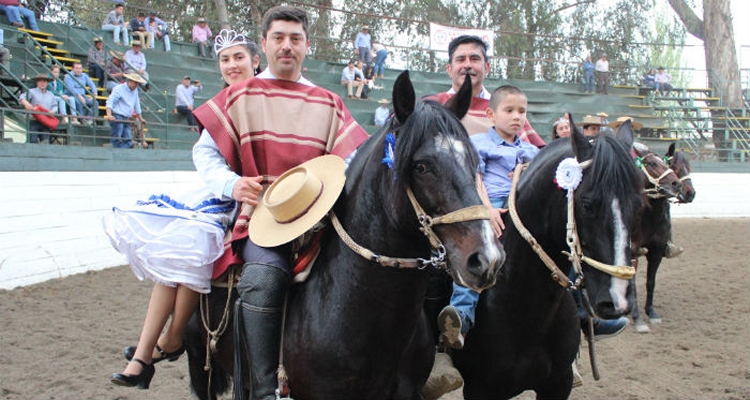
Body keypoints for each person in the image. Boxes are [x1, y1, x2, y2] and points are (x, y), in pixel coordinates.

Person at [191, 8, 369, 399]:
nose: (287, 46)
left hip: (324, 219)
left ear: (307, 45)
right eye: (278, 38)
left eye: (295, 38)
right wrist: (232, 184)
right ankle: (263, 389)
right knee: (263, 278)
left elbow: (353, 160)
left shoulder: (329, 102)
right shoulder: (238, 95)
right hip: (262, 218)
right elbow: (205, 155)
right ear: (265, 44)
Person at [107, 29, 260, 391]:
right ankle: (147, 352)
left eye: (239, 57)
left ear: (256, 60)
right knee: (181, 247)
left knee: (191, 242)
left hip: (259, 192)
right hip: (226, 191)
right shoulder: (220, 104)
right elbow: (203, 152)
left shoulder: (268, 96)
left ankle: (165, 345)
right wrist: (229, 182)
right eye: (225, 59)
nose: (232, 64)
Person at [438, 85, 540, 350]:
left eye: (522, 111)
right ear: (491, 115)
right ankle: (461, 315)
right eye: (509, 110)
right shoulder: (479, 144)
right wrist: (487, 210)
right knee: (477, 256)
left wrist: (529, 172)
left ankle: (580, 306)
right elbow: (475, 179)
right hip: (492, 204)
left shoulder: (531, 151)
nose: (516, 116)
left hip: (525, 206)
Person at [105, 72, 145, 148]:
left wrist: (140, 118)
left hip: (126, 117)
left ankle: (119, 150)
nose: (136, 85)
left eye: (137, 83)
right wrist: (109, 115)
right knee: (118, 135)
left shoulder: (135, 91)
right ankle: (116, 149)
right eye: (135, 83)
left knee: (128, 139)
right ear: (129, 81)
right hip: (117, 115)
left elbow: (137, 105)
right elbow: (110, 101)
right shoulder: (119, 89)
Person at [19, 74, 57, 143]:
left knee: (46, 141)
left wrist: (52, 111)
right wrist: (26, 103)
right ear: (37, 82)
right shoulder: (32, 91)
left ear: (47, 83)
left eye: (45, 81)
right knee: (33, 140)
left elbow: (55, 106)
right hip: (34, 120)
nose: (43, 83)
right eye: (41, 81)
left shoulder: (51, 94)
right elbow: (22, 97)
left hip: (46, 121)